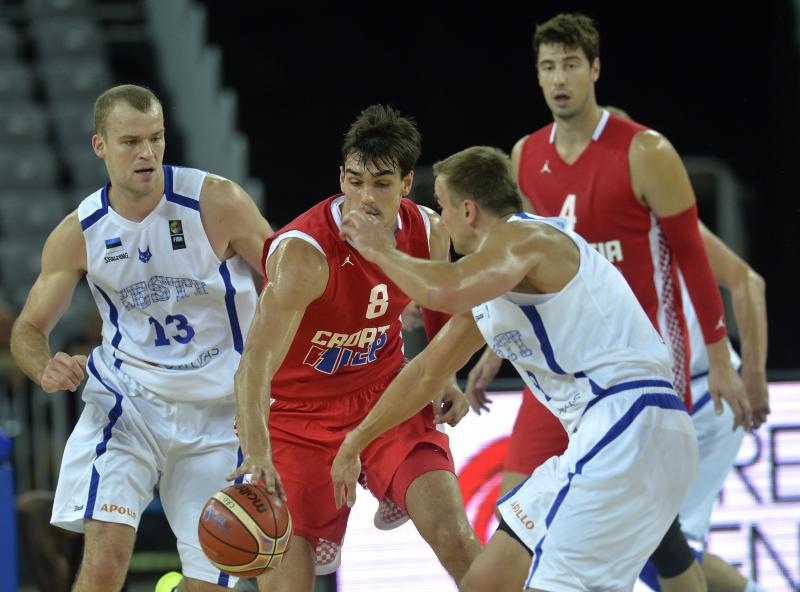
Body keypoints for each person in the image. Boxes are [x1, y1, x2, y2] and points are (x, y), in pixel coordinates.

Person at [462, 13, 754, 592]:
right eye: (548, 67)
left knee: (653, 540)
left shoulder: (646, 151)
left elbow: (695, 260)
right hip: (560, 376)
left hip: (632, 372)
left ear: (595, 70)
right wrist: (494, 353)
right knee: (516, 518)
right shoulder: (524, 156)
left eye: (571, 64)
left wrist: (720, 357)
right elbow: (513, 266)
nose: (559, 78)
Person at [330, 144, 700, 591]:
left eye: (443, 208)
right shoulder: (491, 278)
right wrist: (357, 439)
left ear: (468, 210)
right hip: (614, 435)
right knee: (487, 581)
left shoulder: (525, 238)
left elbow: (444, 291)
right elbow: (427, 372)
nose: (441, 220)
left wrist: (379, 250)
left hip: (626, 422)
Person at [9, 84, 273, 591]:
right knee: (105, 561)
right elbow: (27, 327)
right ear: (99, 146)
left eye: (156, 138)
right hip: (130, 406)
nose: (147, 153)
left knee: (209, 580)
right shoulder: (79, 231)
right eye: (130, 141)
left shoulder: (215, 201)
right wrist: (42, 363)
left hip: (220, 414)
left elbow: (288, 281)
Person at [229, 104, 481, 592]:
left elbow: (439, 308)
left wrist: (446, 374)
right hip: (297, 418)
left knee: (453, 534)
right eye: (355, 180)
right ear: (340, 178)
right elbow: (253, 368)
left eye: (381, 183)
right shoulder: (305, 254)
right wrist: (258, 452)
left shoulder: (429, 230)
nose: (366, 196)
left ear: (407, 183)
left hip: (384, 396)